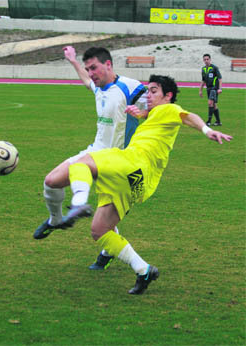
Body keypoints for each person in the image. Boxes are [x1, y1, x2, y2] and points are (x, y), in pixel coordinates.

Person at [56, 74, 232, 295]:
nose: (148, 95)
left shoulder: (169, 109)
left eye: (153, 91)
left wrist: (207, 130)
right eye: (148, 91)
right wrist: (141, 114)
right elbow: (155, 119)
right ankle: (144, 270)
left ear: (167, 96)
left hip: (132, 164)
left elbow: (188, 117)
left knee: (82, 164)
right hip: (140, 182)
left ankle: (78, 204)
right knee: (99, 231)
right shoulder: (156, 114)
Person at [33, 46, 148, 271]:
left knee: (102, 226)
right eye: (88, 69)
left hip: (118, 162)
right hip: (94, 152)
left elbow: (157, 104)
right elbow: (87, 82)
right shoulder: (98, 87)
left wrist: (146, 112)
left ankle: (113, 255)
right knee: (51, 181)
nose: (91, 73)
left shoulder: (130, 87)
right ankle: (55, 220)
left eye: (94, 67)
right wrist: (72, 61)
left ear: (108, 64)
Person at [199, 53, 223, 126]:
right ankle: (218, 122)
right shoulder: (203, 69)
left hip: (214, 88)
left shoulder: (214, 68)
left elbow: (220, 78)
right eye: (205, 59)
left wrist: (220, 88)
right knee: (214, 105)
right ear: (203, 60)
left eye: (207, 59)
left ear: (210, 59)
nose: (206, 61)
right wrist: (200, 90)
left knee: (210, 103)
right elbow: (203, 80)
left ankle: (208, 121)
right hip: (208, 89)